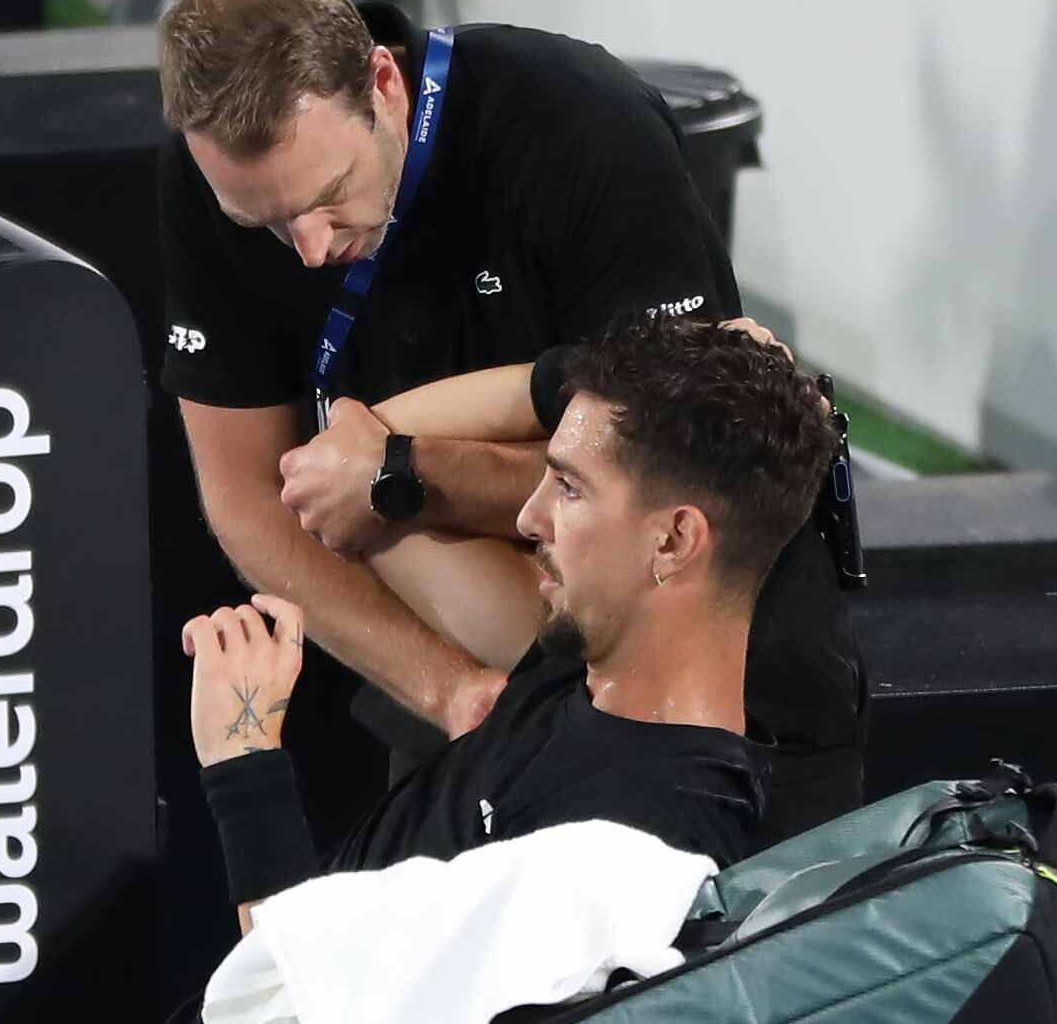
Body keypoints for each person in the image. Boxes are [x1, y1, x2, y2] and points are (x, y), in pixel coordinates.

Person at [155, 0, 863, 831]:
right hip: (476, 706)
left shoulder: (578, 128)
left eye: (329, 195)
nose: (308, 246)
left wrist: (401, 473)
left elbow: (691, 474)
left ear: (384, 83)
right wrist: (450, 689)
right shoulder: (214, 178)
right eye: (261, 221)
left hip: (731, 704)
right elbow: (247, 496)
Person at [183, 317, 837, 936]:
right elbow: (341, 455)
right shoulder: (579, 667)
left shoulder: (629, 840)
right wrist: (672, 354)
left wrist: (242, 754)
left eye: (570, 488)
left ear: (672, 540)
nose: (528, 517)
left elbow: (292, 998)